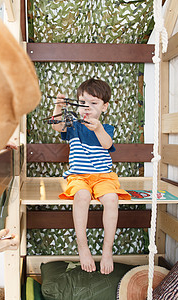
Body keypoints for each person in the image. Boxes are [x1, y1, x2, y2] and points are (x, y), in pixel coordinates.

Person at [51, 78, 130, 275]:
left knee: (112, 199)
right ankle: (83, 247)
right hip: (79, 177)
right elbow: (56, 126)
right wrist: (58, 107)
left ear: (105, 107)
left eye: (94, 103)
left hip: (104, 177)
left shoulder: (106, 128)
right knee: (82, 196)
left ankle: (107, 250)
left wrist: (98, 129)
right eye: (82, 102)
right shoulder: (74, 126)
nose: (87, 107)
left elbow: (106, 144)